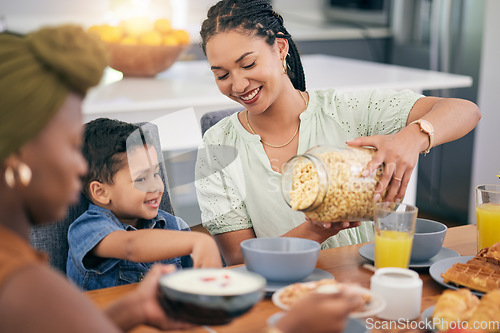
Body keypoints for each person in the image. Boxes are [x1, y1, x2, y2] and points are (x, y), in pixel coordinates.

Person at [0, 24, 364, 333]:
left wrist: (130, 311)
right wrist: (287, 326)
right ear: (18, 155)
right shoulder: (22, 288)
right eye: (68, 144)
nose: (79, 167)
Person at [195, 0, 482, 265]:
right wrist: (315, 230)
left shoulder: (347, 110)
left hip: (372, 279)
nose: (238, 84)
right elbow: (240, 260)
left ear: (280, 49)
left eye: (248, 64)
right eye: (221, 75)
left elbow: (465, 110)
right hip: (287, 295)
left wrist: (412, 137)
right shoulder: (217, 146)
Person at [66, 118, 223, 291]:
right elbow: (130, 246)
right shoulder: (87, 228)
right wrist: (199, 241)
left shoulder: (174, 226)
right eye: (141, 179)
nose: (156, 186)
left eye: (156, 174)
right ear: (101, 192)